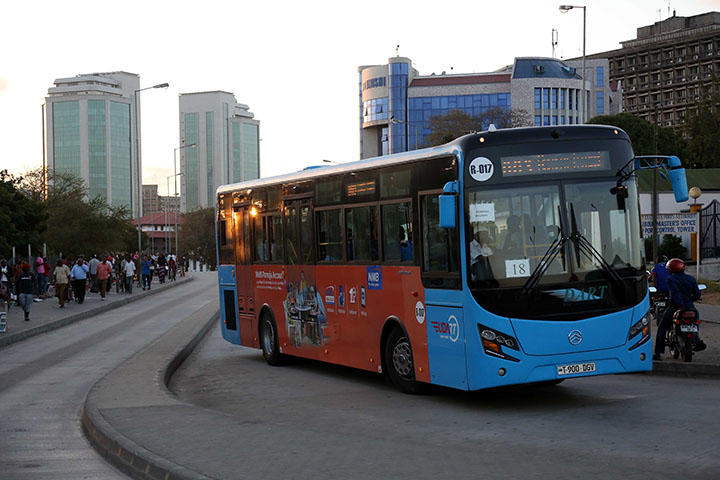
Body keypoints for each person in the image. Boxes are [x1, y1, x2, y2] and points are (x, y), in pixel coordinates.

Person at [653, 258, 705, 360]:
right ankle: (697, 340)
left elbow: (675, 294)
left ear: (671, 269)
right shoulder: (691, 279)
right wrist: (690, 300)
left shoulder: (671, 279)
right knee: (695, 322)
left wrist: (680, 305)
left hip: (675, 307)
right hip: (690, 307)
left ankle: (658, 353)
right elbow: (697, 294)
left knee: (662, 326)